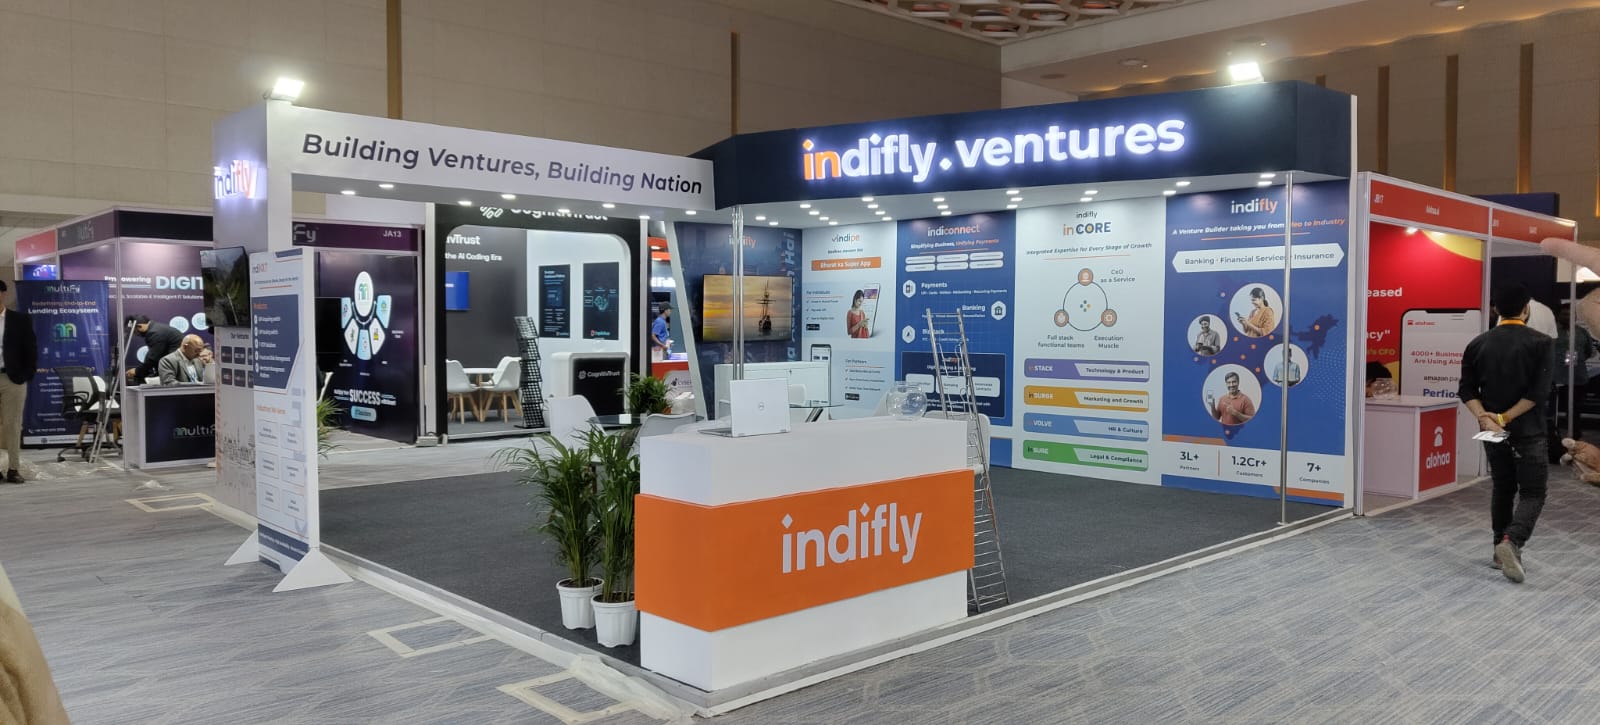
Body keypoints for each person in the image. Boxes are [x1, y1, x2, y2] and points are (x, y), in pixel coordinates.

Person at [1459, 282, 1553, 584]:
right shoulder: (1541, 342)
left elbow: (1467, 390)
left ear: (1496, 309)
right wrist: (1504, 417)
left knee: (1503, 486)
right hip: (1529, 430)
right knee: (1533, 492)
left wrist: (1486, 418)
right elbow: (1538, 393)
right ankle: (1511, 542)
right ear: (1526, 309)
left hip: (1491, 431)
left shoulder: (1477, 343)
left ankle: (1498, 553)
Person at [0, 282, 37, 485]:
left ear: (3, 294)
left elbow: (30, 349)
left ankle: (13, 469)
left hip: (12, 379)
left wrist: (26, 374)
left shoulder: (19, 320)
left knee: (12, 424)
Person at [127, 315, 181, 385]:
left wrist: (137, 371)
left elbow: (153, 358)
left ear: (139, 326)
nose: (135, 335)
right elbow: (153, 355)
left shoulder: (154, 333)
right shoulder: (156, 329)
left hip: (174, 371)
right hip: (175, 365)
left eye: (134, 332)